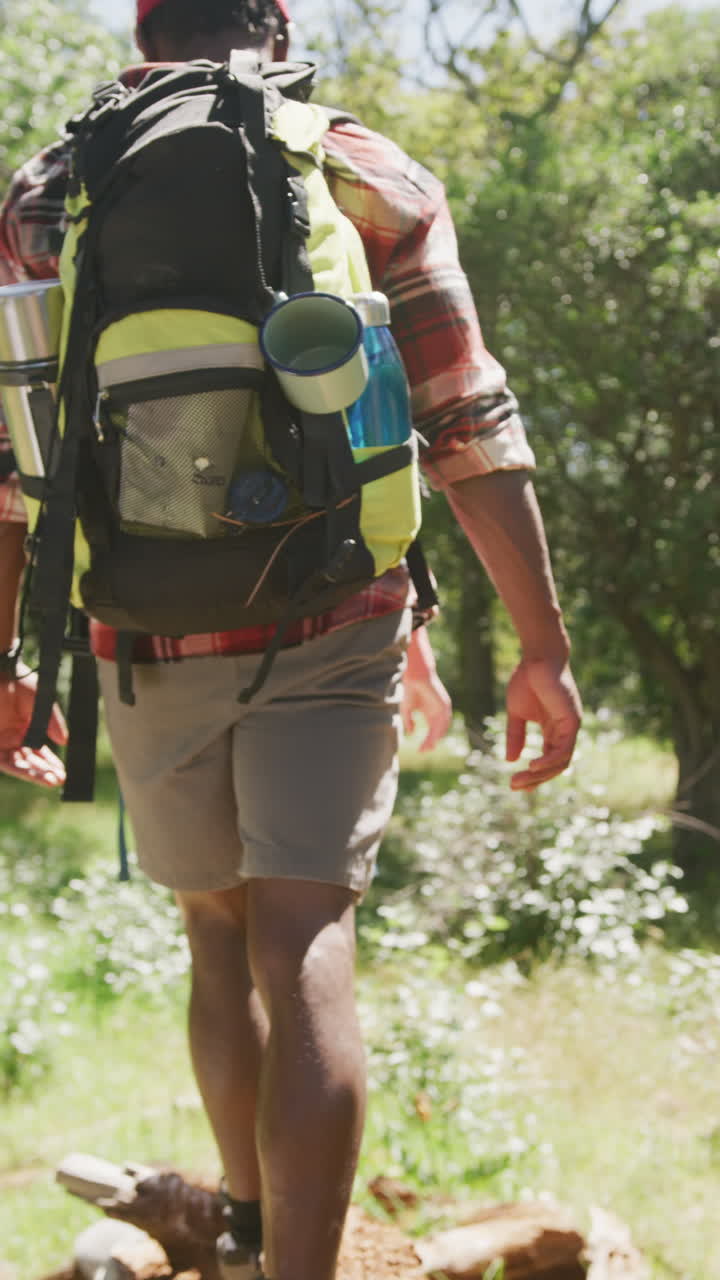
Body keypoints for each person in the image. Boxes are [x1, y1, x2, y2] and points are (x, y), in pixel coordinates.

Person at [0, 1, 582, 1277]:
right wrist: (541, 646)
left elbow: (14, 457)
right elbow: (467, 417)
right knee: (304, 934)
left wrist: (12, 663)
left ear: (146, 30)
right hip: (333, 613)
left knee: (218, 933)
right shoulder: (357, 164)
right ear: (272, 22)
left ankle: (251, 1218)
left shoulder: (50, 187)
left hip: (146, 630)